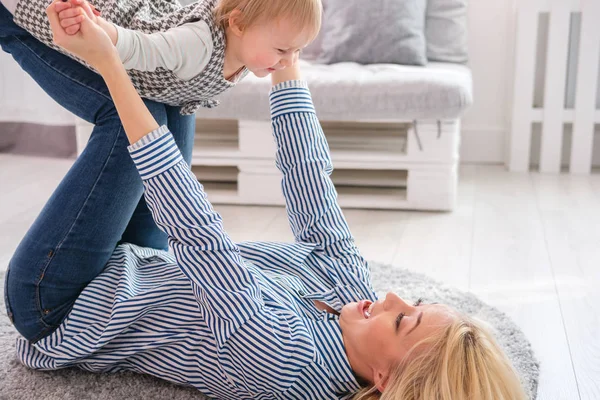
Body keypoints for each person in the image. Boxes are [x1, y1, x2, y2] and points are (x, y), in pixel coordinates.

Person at [2, 3, 529, 399]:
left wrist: (109, 62)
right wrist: (286, 54)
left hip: (59, 303)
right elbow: (310, 185)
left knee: (128, 117)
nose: (392, 299)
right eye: (413, 305)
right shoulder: (356, 298)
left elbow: (199, 234)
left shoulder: (283, 360)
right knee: (175, 90)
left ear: (387, 380)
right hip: (137, 265)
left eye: (400, 321)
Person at [2, 0, 321, 115]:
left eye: (297, 50)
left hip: (149, 56)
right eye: (283, 50)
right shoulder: (197, 44)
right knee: (53, 13)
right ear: (237, 23)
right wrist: (101, 29)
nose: (288, 61)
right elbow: (140, 47)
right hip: (115, 23)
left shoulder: (251, 50)